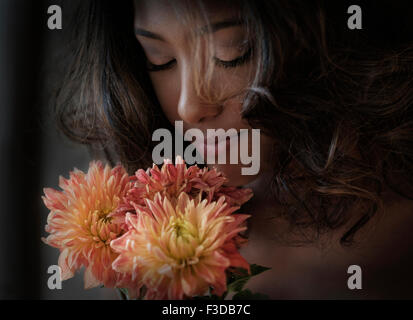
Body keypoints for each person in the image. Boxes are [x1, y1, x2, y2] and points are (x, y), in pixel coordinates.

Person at [55, 0, 413, 298]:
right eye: (159, 59)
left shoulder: (398, 225)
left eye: (232, 54)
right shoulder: (139, 229)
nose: (189, 106)